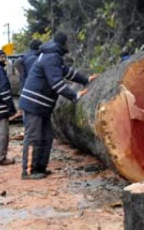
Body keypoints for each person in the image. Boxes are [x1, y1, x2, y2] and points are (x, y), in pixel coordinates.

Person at [19, 32, 98, 180]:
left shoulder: (53, 55)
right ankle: (28, 171)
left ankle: (40, 168)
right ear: (64, 43)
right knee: (34, 137)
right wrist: (75, 96)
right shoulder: (51, 56)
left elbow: (65, 72)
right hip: (34, 103)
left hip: (42, 105)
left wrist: (85, 79)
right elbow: (56, 83)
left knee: (47, 137)